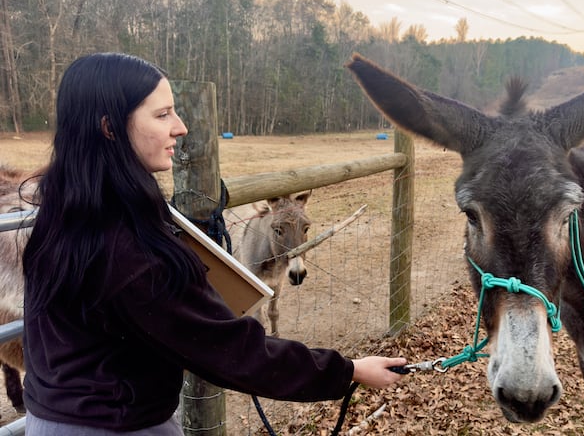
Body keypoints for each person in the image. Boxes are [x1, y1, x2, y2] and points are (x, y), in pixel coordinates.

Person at [21, 52, 406, 435]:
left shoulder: (69, 210)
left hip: (60, 413)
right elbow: (232, 351)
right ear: (109, 127)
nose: (181, 127)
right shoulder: (125, 247)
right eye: (162, 114)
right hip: (113, 427)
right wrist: (349, 370)